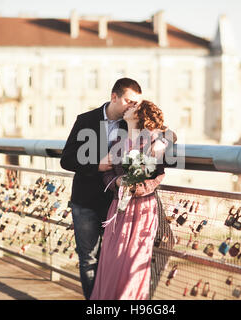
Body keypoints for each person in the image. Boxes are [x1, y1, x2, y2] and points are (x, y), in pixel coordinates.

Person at [60, 78, 143, 299]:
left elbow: (160, 139)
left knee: (117, 257)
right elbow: (66, 160)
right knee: (89, 259)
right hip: (85, 202)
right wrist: (96, 165)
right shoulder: (86, 120)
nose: (132, 106)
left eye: (136, 103)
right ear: (114, 96)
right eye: (128, 100)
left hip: (116, 204)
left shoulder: (133, 124)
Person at [89, 100, 170, 300]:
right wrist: (117, 182)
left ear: (140, 113)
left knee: (134, 262)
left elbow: (158, 175)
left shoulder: (154, 140)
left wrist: (139, 188)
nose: (128, 107)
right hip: (119, 209)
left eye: (133, 106)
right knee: (112, 260)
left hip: (142, 209)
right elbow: (107, 174)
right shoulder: (119, 142)